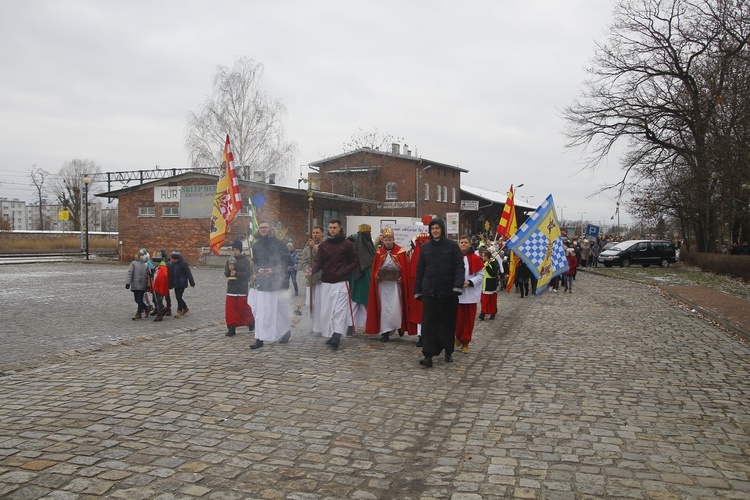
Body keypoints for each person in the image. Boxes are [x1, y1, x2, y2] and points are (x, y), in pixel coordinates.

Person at [414, 217, 465, 368]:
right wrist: (417, 290)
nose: (435, 231)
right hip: (430, 291)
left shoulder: (452, 246)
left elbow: (459, 267)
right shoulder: (425, 248)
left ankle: (448, 350)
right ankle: (428, 355)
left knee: (446, 323)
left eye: (437, 228)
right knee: (428, 323)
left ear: (442, 229)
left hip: (448, 291)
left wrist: (457, 286)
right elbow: (420, 270)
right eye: (432, 228)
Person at [309, 218, 358, 350]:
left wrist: (346, 269)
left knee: (339, 310)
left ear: (340, 228)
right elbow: (319, 261)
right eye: (330, 227)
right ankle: (331, 333)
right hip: (327, 281)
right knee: (327, 311)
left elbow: (355, 261)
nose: (332, 230)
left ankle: (337, 335)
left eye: (334, 227)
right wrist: (312, 269)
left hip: (341, 281)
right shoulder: (324, 245)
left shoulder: (347, 244)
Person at [249, 220, 292, 349]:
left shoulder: (279, 244)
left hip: (278, 282)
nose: (263, 230)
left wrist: (273, 270)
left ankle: (285, 331)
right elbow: (255, 261)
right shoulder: (256, 246)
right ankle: (259, 338)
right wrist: (257, 269)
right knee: (262, 312)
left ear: (270, 229)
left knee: (281, 310)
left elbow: (287, 260)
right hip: (263, 282)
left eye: (265, 227)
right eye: (261, 228)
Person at [365, 228, 410, 343]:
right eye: (386, 240)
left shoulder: (400, 252)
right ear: (382, 241)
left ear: (393, 239)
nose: (388, 242)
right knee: (384, 308)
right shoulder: (379, 253)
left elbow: (405, 269)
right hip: (383, 286)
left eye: (390, 239)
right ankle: (385, 332)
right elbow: (375, 269)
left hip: (396, 286)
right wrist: (377, 277)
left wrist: (401, 278)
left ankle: (399, 326)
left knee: (396, 307)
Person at [455, 235, 484, 353]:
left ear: (469, 244)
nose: (463, 244)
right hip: (458, 294)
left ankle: (466, 342)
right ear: (458, 244)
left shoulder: (475, 258)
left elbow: (480, 275)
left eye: (465, 242)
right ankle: (458, 336)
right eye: (461, 242)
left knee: (469, 320)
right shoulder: (455, 258)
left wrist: (470, 282)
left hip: (471, 294)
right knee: (458, 319)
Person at [224, 239, 255, 337]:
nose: (235, 252)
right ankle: (232, 327)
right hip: (231, 288)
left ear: (240, 250)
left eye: (237, 250)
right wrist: (229, 272)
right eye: (234, 250)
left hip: (241, 288)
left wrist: (237, 274)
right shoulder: (229, 260)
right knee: (231, 310)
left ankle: (250, 321)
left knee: (243, 308)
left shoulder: (245, 261)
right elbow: (226, 273)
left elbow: (248, 274)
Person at [405, 232, 430, 348]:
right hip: (420, 287)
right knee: (420, 314)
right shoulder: (415, 254)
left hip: (431, 286)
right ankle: (421, 336)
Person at [349, 224, 376, 333]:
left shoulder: (369, 244)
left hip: (367, 275)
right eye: (367, 233)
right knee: (354, 303)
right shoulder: (354, 244)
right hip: (358, 276)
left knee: (366, 302)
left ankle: (368, 325)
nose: (368, 235)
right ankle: (350, 325)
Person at [299, 226, 324, 336]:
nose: (315, 235)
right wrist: (307, 269)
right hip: (311, 279)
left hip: (321, 278)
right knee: (310, 304)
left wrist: (314, 247)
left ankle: (319, 327)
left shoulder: (325, 245)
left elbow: (324, 257)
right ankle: (313, 325)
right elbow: (303, 262)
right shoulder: (307, 248)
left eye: (317, 232)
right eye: (313, 232)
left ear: (322, 233)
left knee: (319, 304)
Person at [170, 249, 195, 318]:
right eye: (173, 259)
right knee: (178, 297)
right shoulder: (173, 264)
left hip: (182, 283)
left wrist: (192, 282)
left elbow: (188, 273)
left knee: (178, 296)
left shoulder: (183, 263)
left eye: (176, 259)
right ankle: (185, 307)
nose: (174, 260)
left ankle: (179, 311)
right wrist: (171, 283)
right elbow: (171, 274)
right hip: (176, 283)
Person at [126, 251, 150, 320]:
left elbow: (148, 275)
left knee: (139, 298)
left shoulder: (146, 264)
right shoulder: (134, 263)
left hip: (143, 284)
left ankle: (139, 312)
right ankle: (146, 308)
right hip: (135, 284)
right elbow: (130, 273)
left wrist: (148, 284)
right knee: (136, 299)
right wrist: (128, 282)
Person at [478, 248, 500, 321]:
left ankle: (492, 312)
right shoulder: (484, 262)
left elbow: (493, 274)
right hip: (484, 284)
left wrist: (487, 267)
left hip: (490, 284)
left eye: (484, 256)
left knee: (491, 300)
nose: (482, 257)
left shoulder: (493, 263)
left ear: (487, 257)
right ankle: (483, 312)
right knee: (484, 300)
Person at [151, 253, 170, 321]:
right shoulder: (157, 267)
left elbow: (162, 277)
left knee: (159, 300)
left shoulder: (162, 268)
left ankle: (160, 314)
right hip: (156, 286)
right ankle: (162, 310)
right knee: (155, 300)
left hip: (159, 287)